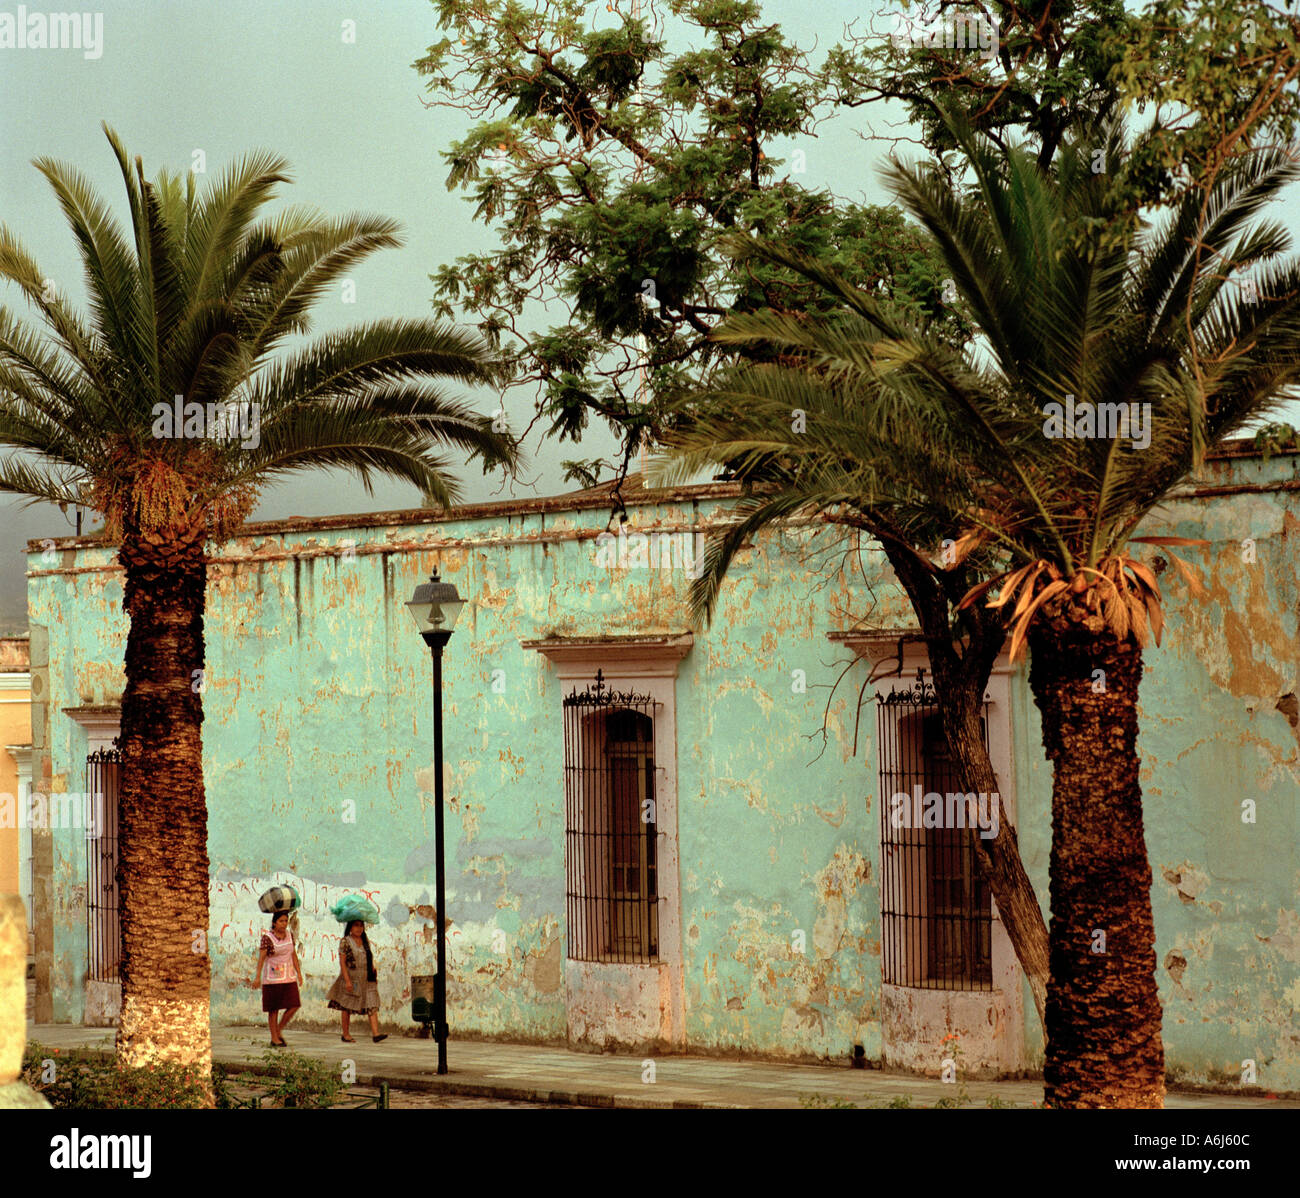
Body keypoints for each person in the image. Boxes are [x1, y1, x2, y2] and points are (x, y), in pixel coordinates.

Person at [326, 919, 388, 1043]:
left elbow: (369, 958)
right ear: (350, 927)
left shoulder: (365, 941)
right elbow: (342, 963)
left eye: (361, 926)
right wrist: (347, 981)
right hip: (351, 977)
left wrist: (373, 972)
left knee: (372, 1003)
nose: (359, 928)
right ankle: (345, 1034)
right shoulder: (345, 942)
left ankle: (376, 1034)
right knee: (347, 1006)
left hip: (367, 978)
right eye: (356, 925)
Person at [250, 911, 302, 1046]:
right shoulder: (267, 938)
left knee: (294, 1005)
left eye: (286, 921)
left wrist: (299, 973)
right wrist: (257, 977)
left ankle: (278, 1029)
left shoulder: (290, 935)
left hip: (289, 977)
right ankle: (274, 1037)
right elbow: (261, 958)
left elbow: (293, 955)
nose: (284, 924)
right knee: (274, 1009)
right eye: (281, 921)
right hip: (272, 978)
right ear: (274, 923)